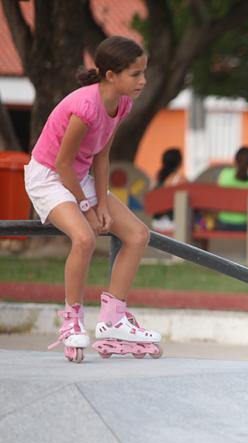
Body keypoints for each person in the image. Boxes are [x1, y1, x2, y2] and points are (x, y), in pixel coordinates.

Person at [24, 36, 161, 362]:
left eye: (144, 72)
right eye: (135, 74)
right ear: (111, 75)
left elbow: (101, 157)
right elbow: (62, 163)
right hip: (49, 176)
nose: (143, 80)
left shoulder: (122, 104)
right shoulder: (85, 107)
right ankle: (71, 321)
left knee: (137, 234)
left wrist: (101, 203)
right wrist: (87, 208)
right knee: (84, 238)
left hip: (79, 175)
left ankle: (113, 320)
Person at [216, 146, 248, 231]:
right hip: (243, 225)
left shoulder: (224, 174)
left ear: (235, 159)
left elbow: (216, 197)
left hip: (223, 222)